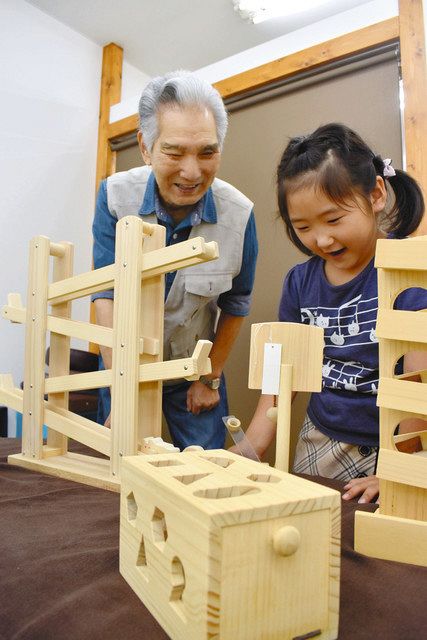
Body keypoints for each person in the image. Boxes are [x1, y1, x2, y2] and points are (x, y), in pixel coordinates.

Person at [238, 123, 426, 503]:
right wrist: (251, 447)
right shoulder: (299, 283)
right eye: (303, 227)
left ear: (375, 194)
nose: (321, 239)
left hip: (397, 438)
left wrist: (399, 467)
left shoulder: (411, 271)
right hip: (319, 434)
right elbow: (282, 376)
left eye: (334, 220)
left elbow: (417, 383)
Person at [92, 70, 258, 450]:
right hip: (124, 362)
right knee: (119, 466)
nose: (192, 172)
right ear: (146, 147)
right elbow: (106, 293)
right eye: (173, 151)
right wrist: (122, 382)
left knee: (207, 473)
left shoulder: (240, 214)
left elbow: (237, 302)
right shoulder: (115, 197)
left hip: (194, 368)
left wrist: (209, 376)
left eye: (207, 152)